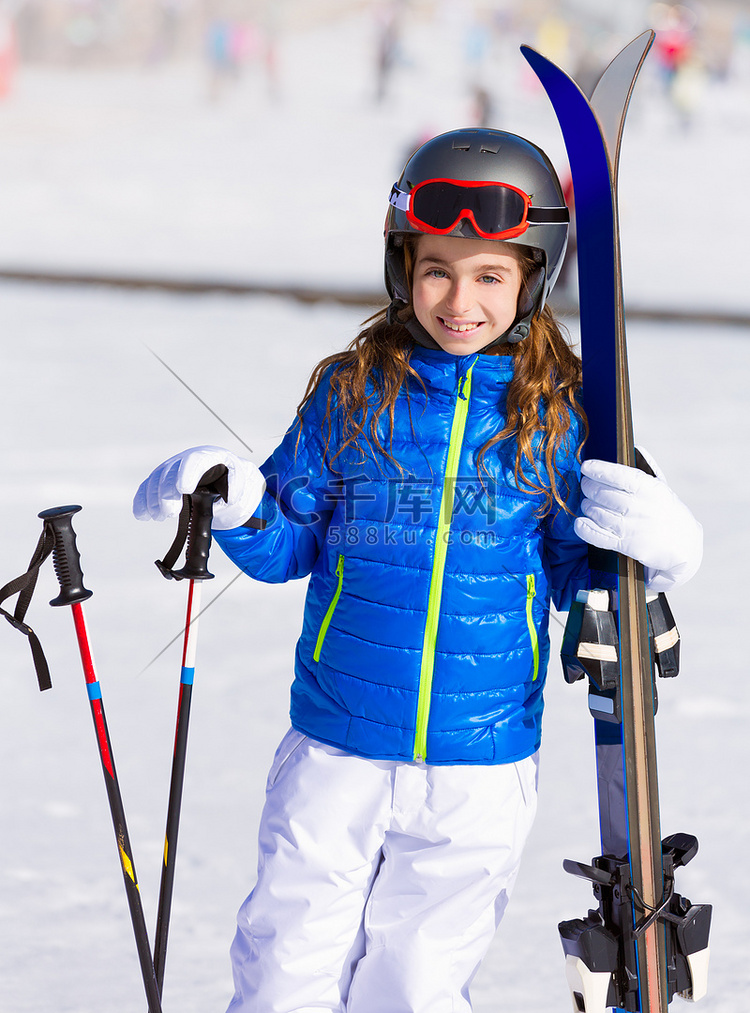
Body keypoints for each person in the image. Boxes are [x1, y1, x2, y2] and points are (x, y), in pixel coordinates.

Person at [133, 128, 702, 1013]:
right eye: (437, 269)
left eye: (489, 276)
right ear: (404, 264)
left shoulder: (557, 420)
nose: (459, 299)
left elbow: (580, 575)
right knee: (287, 964)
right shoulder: (351, 391)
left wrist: (652, 555)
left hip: (479, 762)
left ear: (532, 279)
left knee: (417, 983)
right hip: (335, 741)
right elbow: (289, 542)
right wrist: (238, 501)